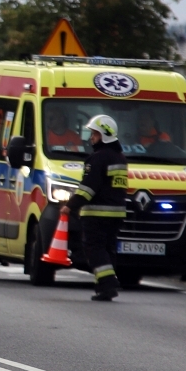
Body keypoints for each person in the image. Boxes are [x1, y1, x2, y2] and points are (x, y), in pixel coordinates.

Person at [68, 114, 129, 301]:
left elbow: (88, 188)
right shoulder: (120, 158)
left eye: (94, 134)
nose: (90, 138)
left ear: (104, 135)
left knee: (94, 248)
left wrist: (71, 206)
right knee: (109, 249)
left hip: (96, 214)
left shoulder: (96, 159)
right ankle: (105, 286)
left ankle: (108, 282)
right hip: (117, 214)